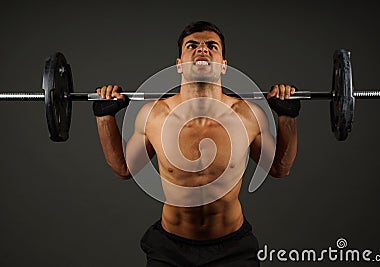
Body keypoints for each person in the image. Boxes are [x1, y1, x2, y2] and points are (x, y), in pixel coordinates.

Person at [93, 21, 300, 267]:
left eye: (212, 46)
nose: (202, 49)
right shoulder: (154, 115)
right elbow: (124, 169)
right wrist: (104, 116)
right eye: (192, 45)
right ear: (179, 65)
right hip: (170, 249)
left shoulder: (249, 115)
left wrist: (287, 117)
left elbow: (279, 168)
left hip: (233, 247)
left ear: (224, 66)